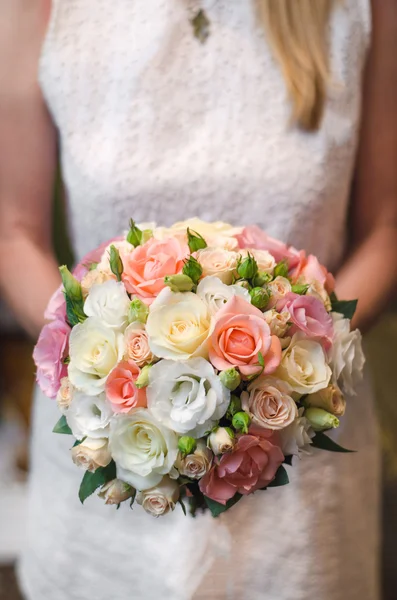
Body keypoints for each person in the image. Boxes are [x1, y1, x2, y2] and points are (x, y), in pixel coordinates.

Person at [0, 1, 396, 598]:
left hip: (303, 481)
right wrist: (112, 361)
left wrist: (288, 367)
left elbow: (386, 225)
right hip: (110, 449)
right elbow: (12, 231)